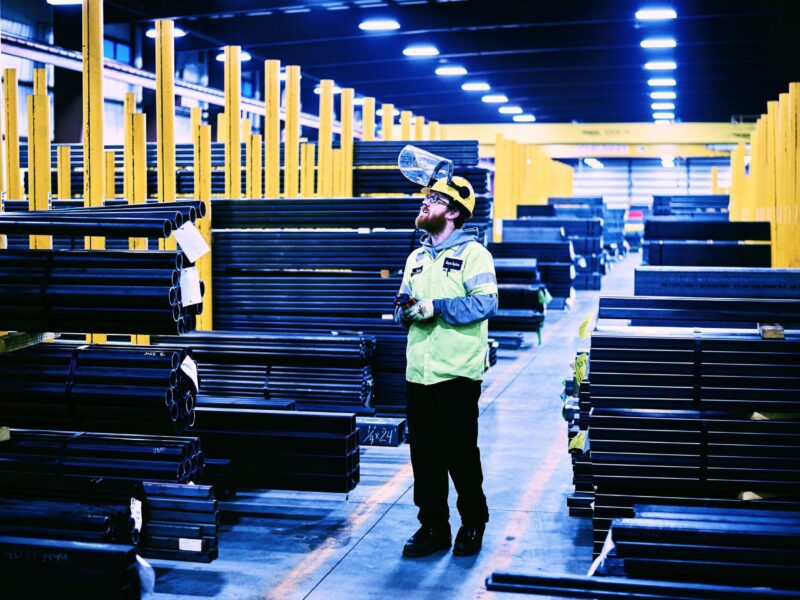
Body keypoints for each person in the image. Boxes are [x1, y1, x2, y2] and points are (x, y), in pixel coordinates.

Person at [394, 173, 497, 558]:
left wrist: (436, 307)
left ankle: (473, 522)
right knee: (425, 454)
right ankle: (433, 525)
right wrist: (406, 312)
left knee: (460, 452)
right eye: (427, 198)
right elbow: (402, 304)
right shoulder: (416, 258)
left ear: (454, 212)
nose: (425, 203)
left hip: (456, 372)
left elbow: (486, 303)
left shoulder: (474, 255)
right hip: (418, 372)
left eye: (435, 200)